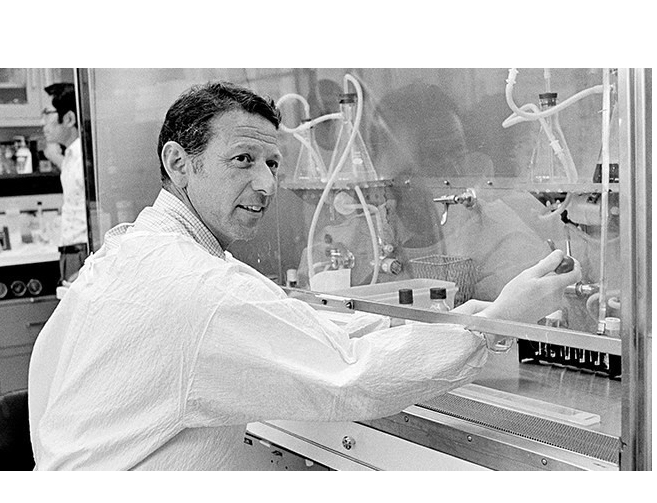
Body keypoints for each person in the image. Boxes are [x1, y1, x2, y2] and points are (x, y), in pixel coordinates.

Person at [28, 81, 581, 470]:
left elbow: (294, 326)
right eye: (243, 159)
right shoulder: (197, 288)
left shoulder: (134, 251)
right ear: (178, 163)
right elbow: (353, 378)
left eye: (273, 164)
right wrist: (498, 324)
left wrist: (465, 318)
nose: (267, 185)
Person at [42, 82, 89, 284]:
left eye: (47, 114)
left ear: (69, 118)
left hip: (82, 253)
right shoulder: (72, 156)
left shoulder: (84, 158)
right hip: (71, 251)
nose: (42, 123)